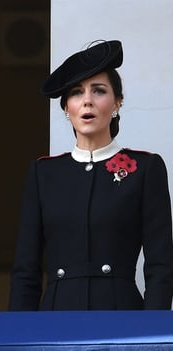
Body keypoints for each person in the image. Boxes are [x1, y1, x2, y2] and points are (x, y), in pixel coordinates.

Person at [9, 40, 173, 311]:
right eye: (76, 93)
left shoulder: (145, 169)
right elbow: (26, 270)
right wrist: (18, 336)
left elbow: (160, 267)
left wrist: (150, 333)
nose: (87, 100)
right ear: (66, 108)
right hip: (56, 316)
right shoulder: (43, 173)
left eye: (98, 91)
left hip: (121, 315)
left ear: (117, 103)